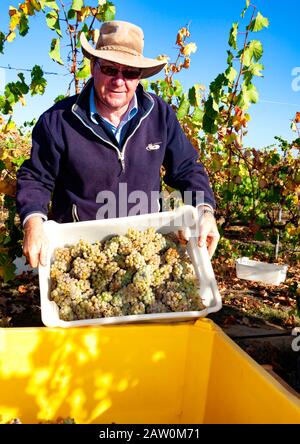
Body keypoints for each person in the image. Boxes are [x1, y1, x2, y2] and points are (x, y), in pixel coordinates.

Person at [16, 20, 220, 268]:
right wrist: (33, 222)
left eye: (130, 72)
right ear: (93, 67)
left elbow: (187, 168)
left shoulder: (159, 115)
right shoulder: (58, 121)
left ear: (139, 77)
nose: (119, 80)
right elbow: (36, 177)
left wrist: (204, 211)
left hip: (144, 249)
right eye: (110, 69)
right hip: (79, 253)